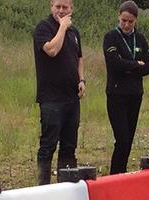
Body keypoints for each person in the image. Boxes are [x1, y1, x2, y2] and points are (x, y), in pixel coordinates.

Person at [33, 0, 86, 184]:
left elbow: (79, 58)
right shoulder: (43, 28)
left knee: (69, 145)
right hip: (51, 98)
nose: (61, 11)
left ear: (71, 8)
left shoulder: (75, 32)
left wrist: (81, 79)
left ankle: (66, 185)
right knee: (48, 145)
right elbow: (52, 50)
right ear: (51, 6)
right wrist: (62, 27)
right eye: (58, 7)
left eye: (65, 7)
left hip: (71, 97)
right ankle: (43, 187)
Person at [103, 1, 149, 174]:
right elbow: (114, 63)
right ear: (119, 17)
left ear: (136, 21)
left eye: (130, 21)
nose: (126, 24)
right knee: (122, 139)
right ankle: (115, 175)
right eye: (123, 20)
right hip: (116, 94)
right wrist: (135, 65)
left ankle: (122, 173)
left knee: (129, 139)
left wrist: (129, 66)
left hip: (135, 94)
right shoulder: (111, 37)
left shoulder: (140, 39)